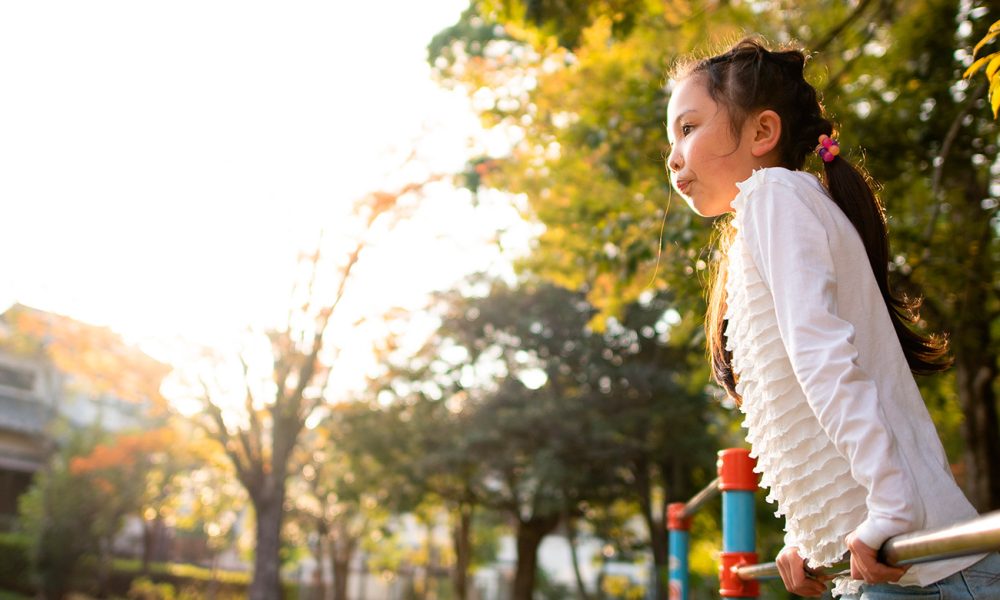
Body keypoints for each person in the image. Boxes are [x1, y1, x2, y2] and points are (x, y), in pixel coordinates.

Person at [664, 37, 1000, 598]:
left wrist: (892, 506)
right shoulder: (768, 213)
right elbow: (795, 403)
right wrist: (810, 536)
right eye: (671, 138)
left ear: (762, 132)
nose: (673, 156)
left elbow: (824, 358)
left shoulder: (775, 196)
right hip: (890, 563)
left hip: (924, 567)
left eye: (689, 128)